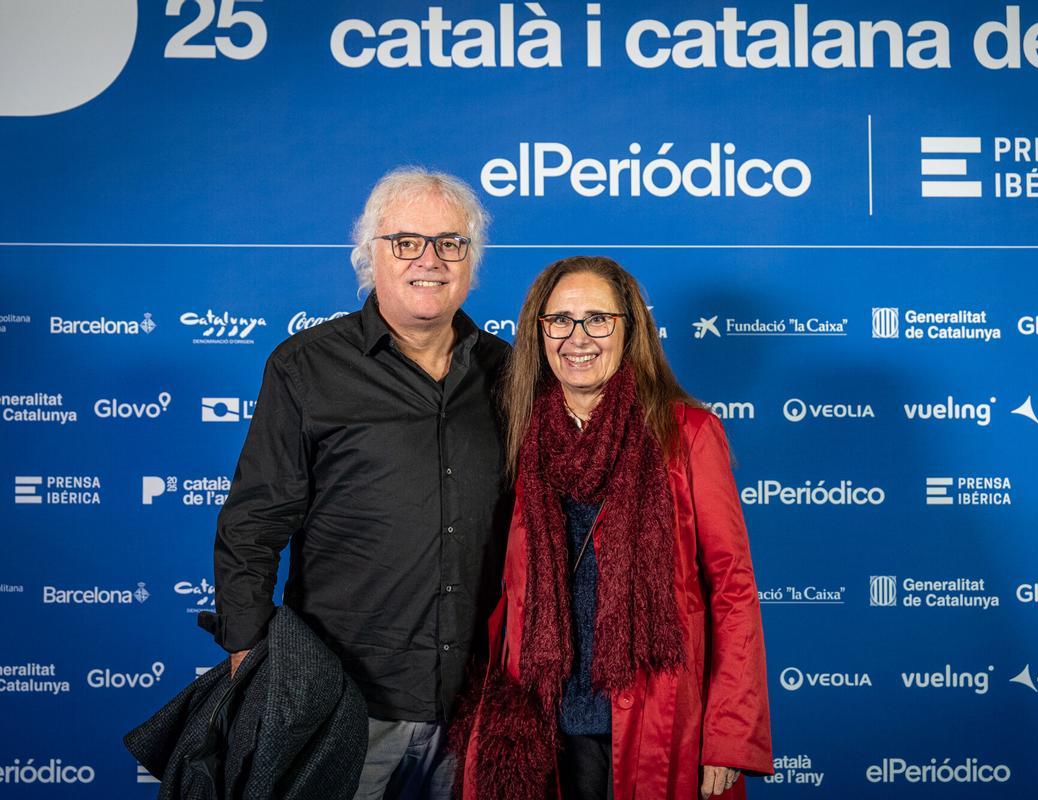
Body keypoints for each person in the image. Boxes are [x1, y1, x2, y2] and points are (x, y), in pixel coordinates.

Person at [212, 168, 511, 800]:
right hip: (344, 703)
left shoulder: (511, 374)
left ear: (471, 262)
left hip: (477, 705)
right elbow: (254, 521)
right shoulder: (306, 366)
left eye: (450, 243)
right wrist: (248, 654)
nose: (429, 260)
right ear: (369, 255)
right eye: (406, 242)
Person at [461, 256, 772, 799]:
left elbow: (732, 589)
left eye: (597, 319)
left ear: (630, 330)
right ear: (539, 332)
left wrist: (728, 735)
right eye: (559, 320)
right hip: (545, 720)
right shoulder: (520, 433)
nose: (577, 337)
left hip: (654, 716)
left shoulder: (687, 433)